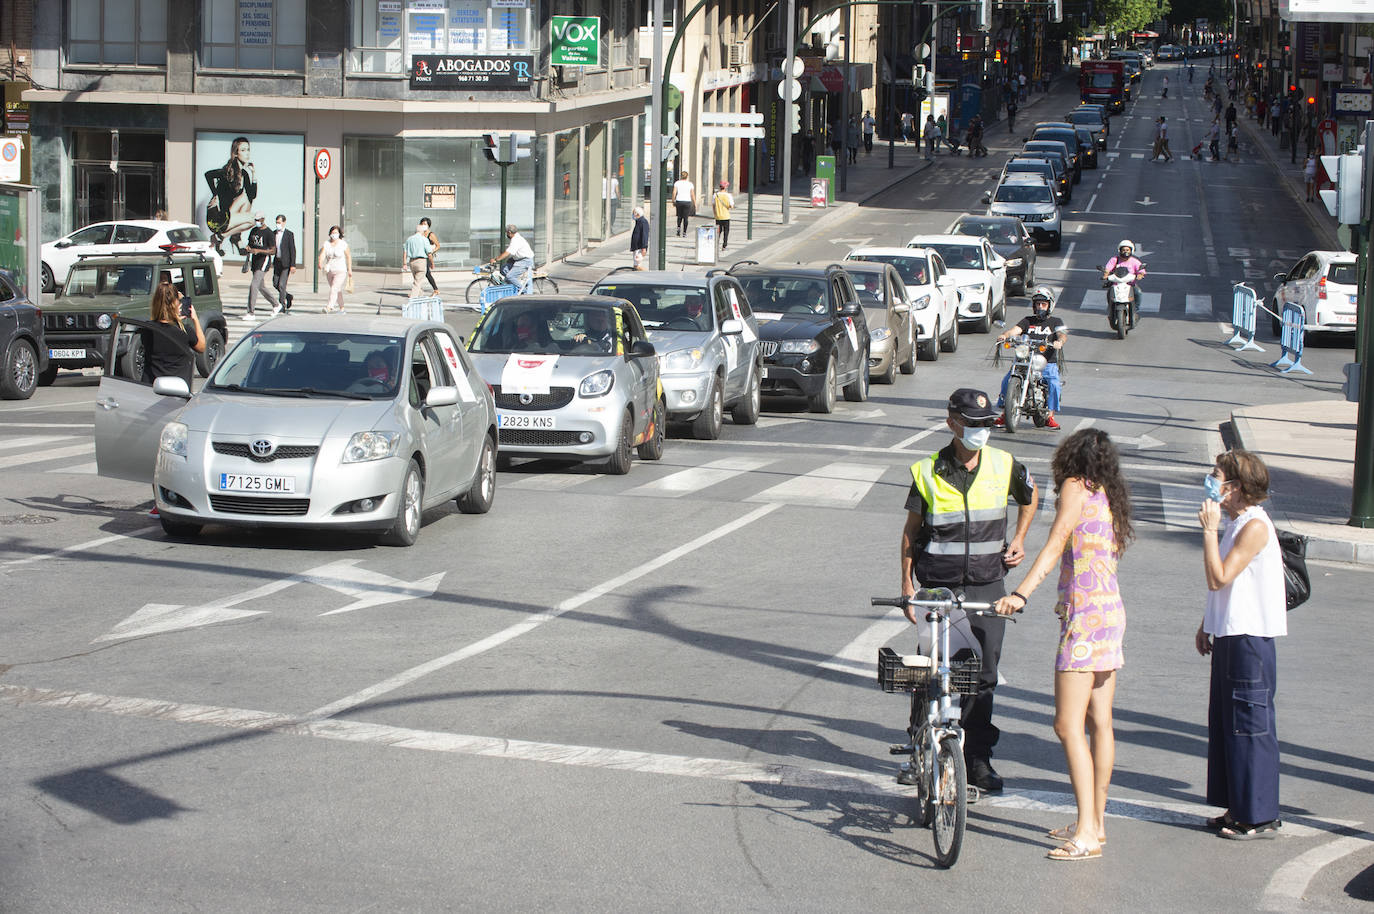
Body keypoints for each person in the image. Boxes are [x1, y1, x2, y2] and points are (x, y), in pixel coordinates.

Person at [994, 429, 1133, 862]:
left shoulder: (1075, 487)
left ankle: (1087, 832)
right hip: (1110, 612)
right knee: (1100, 723)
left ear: (1069, 458)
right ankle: (1096, 821)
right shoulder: (1107, 493)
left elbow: (1056, 544)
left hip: (1085, 618)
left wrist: (1020, 593)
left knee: (1067, 725)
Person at [899, 388, 1040, 793]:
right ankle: (919, 749)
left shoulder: (1004, 463)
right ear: (952, 423)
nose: (982, 430)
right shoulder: (927, 470)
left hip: (987, 585)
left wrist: (1020, 538)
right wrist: (907, 585)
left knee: (982, 677)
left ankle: (978, 760)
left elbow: (1029, 498)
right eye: (974, 424)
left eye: (987, 424)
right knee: (931, 672)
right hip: (939, 588)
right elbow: (910, 534)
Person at [1196, 449, 1286, 840]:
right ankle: (1237, 805)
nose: (1212, 482)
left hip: (1250, 639)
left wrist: (1207, 530)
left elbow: (1219, 577)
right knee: (1228, 725)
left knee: (1250, 726)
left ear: (1236, 486)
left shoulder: (1254, 526)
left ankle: (1258, 813)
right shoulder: (1237, 522)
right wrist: (1207, 622)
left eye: (1217, 476)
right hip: (1232, 634)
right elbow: (1228, 586)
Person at [995, 286, 1066, 430]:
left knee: (1053, 384)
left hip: (1046, 362)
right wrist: (1006, 335)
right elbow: (1016, 330)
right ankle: (1005, 413)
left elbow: (1062, 334)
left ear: (1050, 305)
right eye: (1038, 304)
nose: (1040, 307)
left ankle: (1050, 416)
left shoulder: (1055, 321)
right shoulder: (1028, 320)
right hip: (1025, 360)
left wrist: (1060, 342)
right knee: (1007, 379)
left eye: (1043, 304)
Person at [203, 136, 257, 256]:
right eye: (243, 150)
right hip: (218, 218)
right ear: (236, 153)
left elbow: (252, 195)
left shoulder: (244, 174)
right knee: (253, 219)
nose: (247, 153)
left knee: (246, 199)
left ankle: (230, 237)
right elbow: (208, 174)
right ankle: (221, 236)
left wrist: (253, 174)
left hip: (228, 214)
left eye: (248, 149)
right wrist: (215, 194)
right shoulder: (228, 170)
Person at [244, 213, 279, 320]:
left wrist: (259, 250)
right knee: (261, 286)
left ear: (263, 219)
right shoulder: (254, 231)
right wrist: (248, 249)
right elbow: (250, 244)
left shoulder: (269, 233)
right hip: (254, 260)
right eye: (256, 220)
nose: (257, 222)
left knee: (254, 285)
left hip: (264, 260)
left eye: (258, 220)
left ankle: (251, 312)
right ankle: (276, 305)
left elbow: (273, 251)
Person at [318, 224, 353, 313]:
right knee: (337, 290)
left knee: (334, 288)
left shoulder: (343, 244)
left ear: (339, 234)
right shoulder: (327, 243)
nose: (334, 234)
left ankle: (329, 307)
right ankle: (342, 308)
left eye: (336, 233)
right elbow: (322, 254)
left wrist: (349, 269)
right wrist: (320, 262)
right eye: (333, 233)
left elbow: (348, 256)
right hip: (329, 270)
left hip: (340, 270)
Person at [490, 224, 534, 290]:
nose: (506, 234)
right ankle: (512, 286)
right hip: (519, 260)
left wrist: (496, 259)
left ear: (509, 232)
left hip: (525, 261)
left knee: (510, 276)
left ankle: (523, 291)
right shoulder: (516, 238)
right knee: (503, 269)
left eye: (506, 233)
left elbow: (507, 252)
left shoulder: (516, 240)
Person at [401, 221, 436, 299]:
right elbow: (429, 253)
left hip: (412, 262)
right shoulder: (424, 239)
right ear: (422, 232)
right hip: (421, 262)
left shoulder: (409, 239)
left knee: (417, 280)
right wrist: (432, 263)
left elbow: (405, 252)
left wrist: (404, 263)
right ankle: (412, 300)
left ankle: (420, 295)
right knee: (417, 283)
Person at [271, 214, 296, 313]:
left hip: (286, 263)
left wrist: (293, 265)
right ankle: (288, 296)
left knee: (282, 285)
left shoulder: (289, 234)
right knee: (275, 283)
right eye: (276, 222)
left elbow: (292, 250)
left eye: (279, 222)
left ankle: (282, 305)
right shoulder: (273, 233)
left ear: (284, 222)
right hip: (277, 262)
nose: (278, 224)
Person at [672, 170, 697, 237]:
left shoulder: (677, 183)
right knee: (686, 218)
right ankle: (684, 232)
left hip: (679, 200)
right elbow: (692, 194)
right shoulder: (690, 184)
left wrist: (673, 200)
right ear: (687, 176)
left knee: (679, 216)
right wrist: (695, 203)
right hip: (687, 201)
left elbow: (674, 192)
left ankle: (678, 228)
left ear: (681, 176)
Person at [712, 180, 735, 251]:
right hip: (726, 216)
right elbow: (731, 205)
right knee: (726, 231)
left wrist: (715, 213)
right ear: (725, 187)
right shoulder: (728, 195)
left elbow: (713, 205)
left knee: (718, 231)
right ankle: (724, 246)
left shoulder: (715, 195)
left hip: (718, 216)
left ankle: (716, 244)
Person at [421, 217, 441, 294]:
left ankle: (435, 289)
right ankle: (417, 290)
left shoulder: (431, 234)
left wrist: (431, 251)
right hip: (421, 255)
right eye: (422, 224)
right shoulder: (420, 234)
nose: (423, 225)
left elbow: (438, 245)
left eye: (425, 224)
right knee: (420, 273)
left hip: (428, 256)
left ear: (428, 225)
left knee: (426, 273)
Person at [630, 206, 650, 270]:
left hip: (639, 247)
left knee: (638, 264)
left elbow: (644, 235)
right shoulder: (638, 222)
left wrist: (644, 247)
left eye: (634, 213)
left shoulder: (643, 222)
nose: (633, 215)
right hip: (636, 247)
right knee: (636, 264)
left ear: (637, 214)